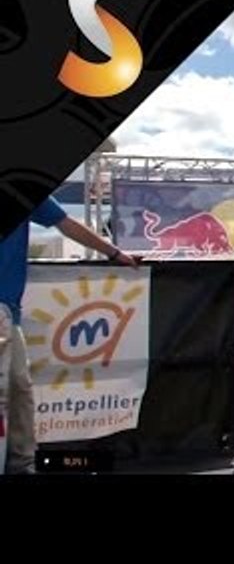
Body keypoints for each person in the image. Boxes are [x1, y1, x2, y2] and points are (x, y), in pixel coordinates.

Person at [0, 197, 139, 474]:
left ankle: (22, 462)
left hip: (8, 310)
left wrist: (113, 253)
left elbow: (65, 223)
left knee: (19, 388)